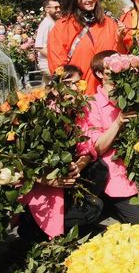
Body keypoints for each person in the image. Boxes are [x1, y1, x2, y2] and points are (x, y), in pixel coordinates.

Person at [18, 66, 102, 240]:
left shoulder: (79, 110)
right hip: (43, 182)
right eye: (67, 83)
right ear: (55, 88)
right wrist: (49, 180)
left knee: (99, 173)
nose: (73, 88)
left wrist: (78, 166)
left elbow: (87, 148)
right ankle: (31, 225)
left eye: (76, 83)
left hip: (66, 176)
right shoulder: (44, 116)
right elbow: (23, 165)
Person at [81, 51, 139, 224]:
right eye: (110, 69)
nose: (117, 72)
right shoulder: (92, 104)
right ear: (99, 74)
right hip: (114, 169)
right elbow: (96, 148)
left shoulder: (133, 94)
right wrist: (118, 122)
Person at [47, 0, 123, 96]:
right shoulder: (62, 26)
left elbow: (119, 56)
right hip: (80, 96)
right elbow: (58, 65)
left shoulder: (109, 23)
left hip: (109, 94)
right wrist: (71, 92)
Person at [35, 0, 61, 84]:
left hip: (51, 63)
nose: (58, 10)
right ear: (47, 9)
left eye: (59, 7)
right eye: (56, 7)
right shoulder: (46, 24)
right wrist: (56, 58)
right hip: (48, 65)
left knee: (47, 91)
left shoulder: (52, 23)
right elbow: (39, 46)